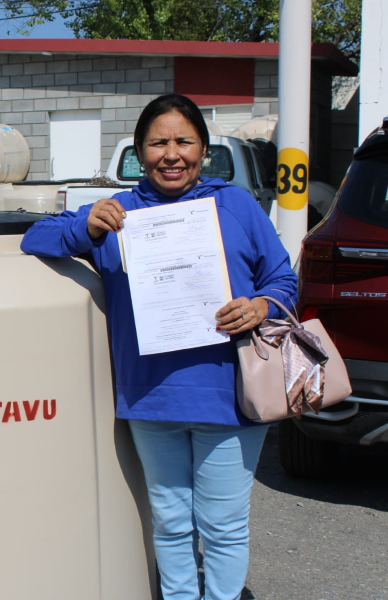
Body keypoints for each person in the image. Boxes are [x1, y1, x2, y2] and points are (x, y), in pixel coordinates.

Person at [20, 94, 297, 600]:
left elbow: (282, 279)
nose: (171, 154)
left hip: (228, 395)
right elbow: (35, 237)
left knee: (223, 526)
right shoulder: (118, 211)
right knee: (169, 524)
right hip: (151, 399)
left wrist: (260, 306)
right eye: (157, 143)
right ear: (139, 153)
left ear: (204, 149)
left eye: (184, 141)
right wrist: (83, 225)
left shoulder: (234, 204)